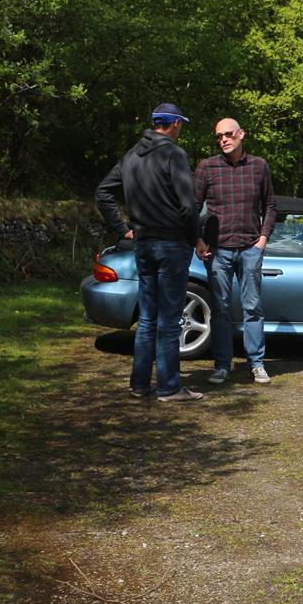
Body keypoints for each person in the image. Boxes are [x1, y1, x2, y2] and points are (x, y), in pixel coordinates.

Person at [96, 103, 204, 403]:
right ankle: (169, 387)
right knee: (169, 319)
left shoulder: (131, 156)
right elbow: (188, 206)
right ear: (174, 125)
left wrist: (123, 230)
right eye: (181, 125)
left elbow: (103, 192)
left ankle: (140, 384)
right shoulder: (174, 154)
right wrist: (193, 239)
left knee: (147, 319)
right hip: (171, 244)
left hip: (142, 244)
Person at [195, 118, 277, 386]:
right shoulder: (207, 167)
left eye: (228, 135)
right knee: (219, 309)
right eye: (218, 137)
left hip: (250, 248)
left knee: (253, 308)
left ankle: (256, 363)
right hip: (217, 251)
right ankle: (222, 366)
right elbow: (192, 208)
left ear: (241, 134)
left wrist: (263, 238)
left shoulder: (259, 166)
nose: (223, 140)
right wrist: (198, 239)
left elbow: (271, 206)